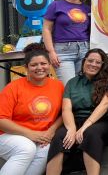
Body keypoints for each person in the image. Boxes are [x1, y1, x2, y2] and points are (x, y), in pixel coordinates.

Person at [46, 49, 108, 175]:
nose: (93, 64)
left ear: (103, 65)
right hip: (75, 122)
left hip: (103, 122)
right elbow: (66, 109)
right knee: (60, 136)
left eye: (98, 62)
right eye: (90, 60)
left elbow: (103, 106)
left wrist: (84, 127)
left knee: (90, 133)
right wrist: (71, 128)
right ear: (84, 61)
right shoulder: (72, 83)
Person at [0, 43, 64, 175]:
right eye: (34, 65)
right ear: (26, 68)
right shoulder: (14, 87)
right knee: (26, 147)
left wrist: (51, 131)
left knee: (46, 149)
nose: (39, 68)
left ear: (49, 65)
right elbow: (1, 120)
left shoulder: (58, 86)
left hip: (42, 137)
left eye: (43, 63)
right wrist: (30, 134)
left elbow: (64, 114)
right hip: (9, 135)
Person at [43, 0, 90, 85]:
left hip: (85, 50)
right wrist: (51, 52)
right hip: (63, 52)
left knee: (83, 87)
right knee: (68, 87)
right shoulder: (55, 5)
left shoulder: (87, 8)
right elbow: (46, 29)